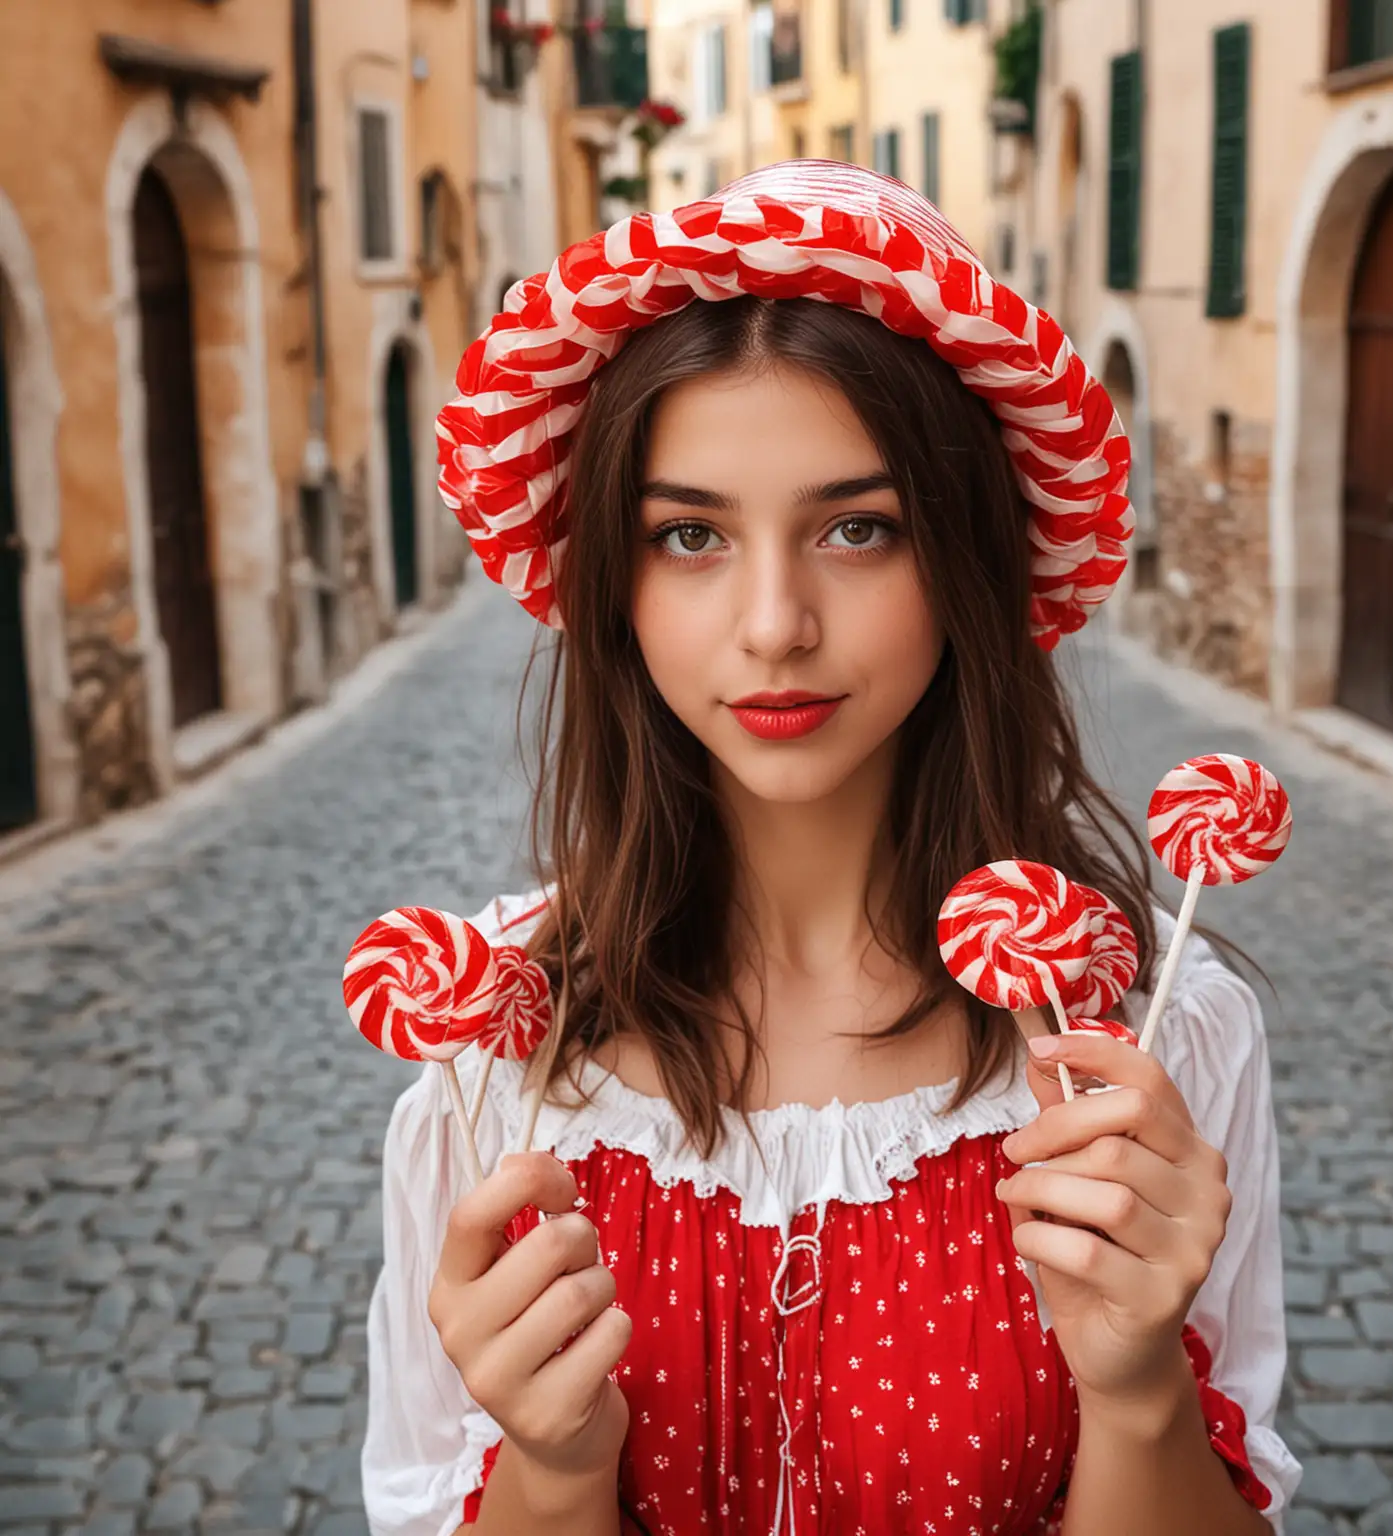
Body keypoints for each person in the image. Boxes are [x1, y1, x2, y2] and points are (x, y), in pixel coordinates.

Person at [361, 162, 1301, 1535]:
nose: (774, 624)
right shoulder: (492, 1059)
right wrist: (554, 1472)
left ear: (968, 553)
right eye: (688, 536)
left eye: (857, 529)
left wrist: (1142, 1389)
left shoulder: (1157, 1040)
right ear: (613, 587)